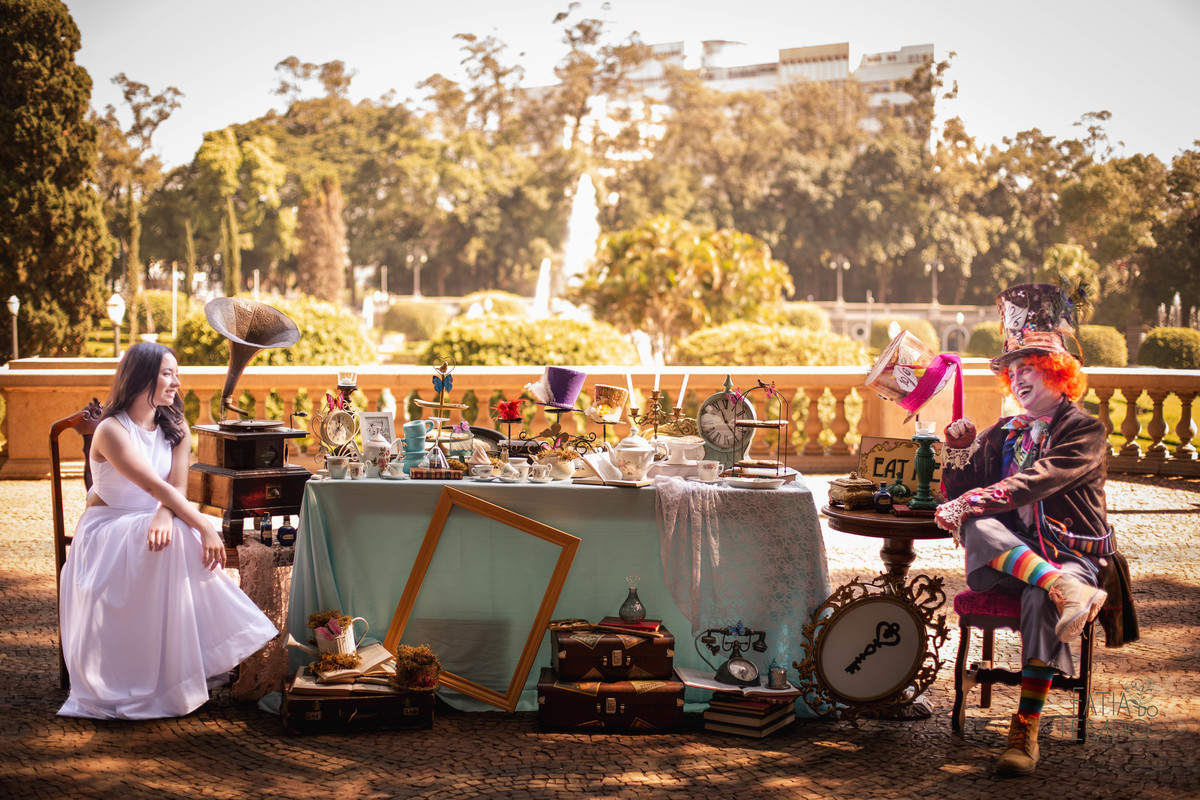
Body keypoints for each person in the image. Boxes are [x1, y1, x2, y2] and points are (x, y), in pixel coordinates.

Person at [934, 283, 1137, 775]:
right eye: (1014, 369)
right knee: (979, 527)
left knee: (1035, 596)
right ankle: (1063, 588)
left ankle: (1025, 729)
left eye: (1030, 367)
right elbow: (957, 490)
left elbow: (1036, 482)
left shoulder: (1084, 430)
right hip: (1016, 560)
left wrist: (971, 501)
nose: (1019, 377)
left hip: (1074, 554)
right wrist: (959, 450)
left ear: (1057, 372)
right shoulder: (1004, 432)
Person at [58, 342, 277, 719]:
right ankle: (166, 674)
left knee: (174, 535)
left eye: (176, 373)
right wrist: (202, 527)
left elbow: (175, 490)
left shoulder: (175, 427)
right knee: (188, 536)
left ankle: (177, 667)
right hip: (108, 528)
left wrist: (165, 515)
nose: (176, 382)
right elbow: (153, 487)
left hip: (158, 516)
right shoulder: (111, 429)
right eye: (167, 373)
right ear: (142, 377)